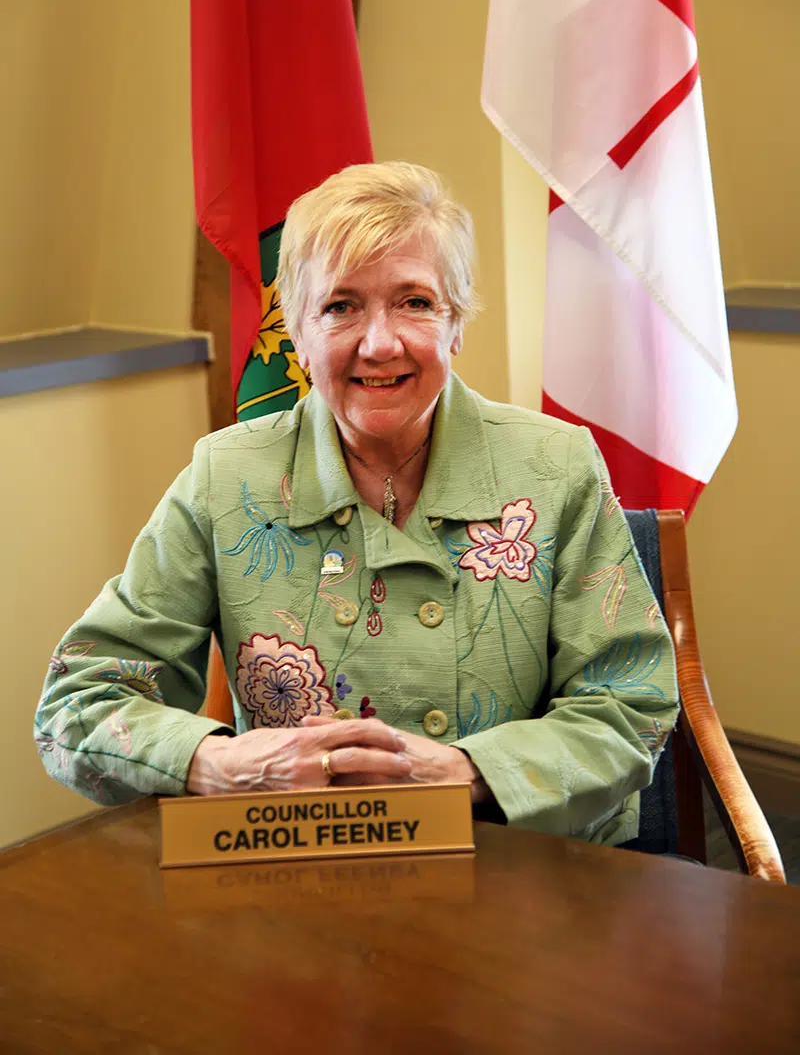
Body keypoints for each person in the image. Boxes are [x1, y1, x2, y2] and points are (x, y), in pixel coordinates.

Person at [35, 162, 677, 845]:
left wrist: (467, 772)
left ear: (456, 323)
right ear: (299, 336)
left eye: (416, 302)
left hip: (515, 865)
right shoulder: (227, 478)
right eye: (341, 306)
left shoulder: (556, 466)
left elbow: (631, 707)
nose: (380, 343)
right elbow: (76, 704)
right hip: (296, 870)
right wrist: (218, 764)